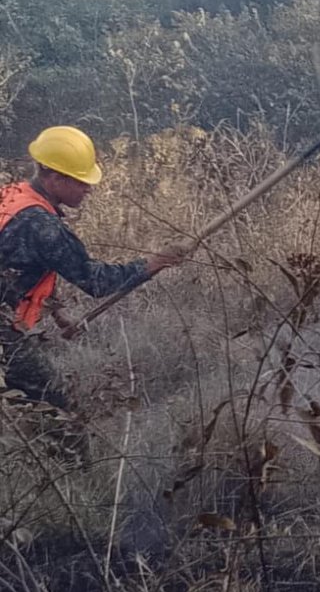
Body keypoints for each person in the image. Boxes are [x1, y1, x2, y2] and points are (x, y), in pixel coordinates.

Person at [0, 125, 185, 409]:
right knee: (60, 410)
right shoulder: (43, 226)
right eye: (80, 181)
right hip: (5, 332)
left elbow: (20, 264)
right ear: (54, 178)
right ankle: (65, 453)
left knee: (22, 408)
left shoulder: (11, 196)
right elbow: (96, 281)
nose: (89, 188)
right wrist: (154, 263)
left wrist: (58, 314)